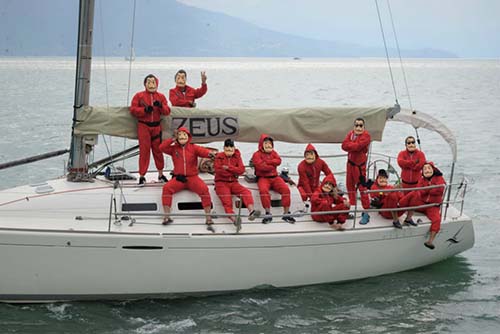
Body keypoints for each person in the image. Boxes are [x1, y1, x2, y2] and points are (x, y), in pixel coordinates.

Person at [159, 127, 215, 231]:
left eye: (184, 135)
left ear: (188, 137)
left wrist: (210, 154)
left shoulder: (194, 148)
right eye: (180, 135)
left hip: (192, 178)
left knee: (204, 190)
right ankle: (166, 216)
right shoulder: (173, 149)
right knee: (166, 188)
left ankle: (208, 217)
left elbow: (203, 152)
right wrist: (172, 139)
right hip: (179, 179)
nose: (182, 137)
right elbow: (161, 148)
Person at [130, 74, 170, 185]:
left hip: (156, 126)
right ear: (145, 84)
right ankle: (142, 175)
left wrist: (161, 106)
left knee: (158, 151)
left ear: (157, 84)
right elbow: (133, 110)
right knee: (144, 151)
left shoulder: (161, 97)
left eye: (153, 82)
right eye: (149, 82)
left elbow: (167, 111)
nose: (151, 84)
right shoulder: (139, 96)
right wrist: (144, 110)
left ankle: (161, 174)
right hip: (144, 126)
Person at [399, 162, 446, 249]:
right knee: (413, 194)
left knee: (437, 220)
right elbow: (420, 191)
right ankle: (401, 208)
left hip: (432, 205)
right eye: (425, 169)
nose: (427, 170)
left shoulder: (439, 178)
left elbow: (439, 189)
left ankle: (430, 241)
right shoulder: (422, 179)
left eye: (429, 168)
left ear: (433, 169)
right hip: (422, 203)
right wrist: (429, 188)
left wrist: (427, 189)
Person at [214, 139, 260, 224]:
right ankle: (234, 219)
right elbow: (219, 171)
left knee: (246, 192)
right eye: (227, 148)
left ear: (234, 148)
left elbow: (241, 170)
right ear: (224, 148)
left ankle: (251, 211)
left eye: (231, 148)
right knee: (227, 202)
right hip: (221, 183)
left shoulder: (237, 156)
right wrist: (234, 171)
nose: (229, 150)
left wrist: (228, 168)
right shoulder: (219, 157)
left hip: (234, 182)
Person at [252, 134, 295, 224]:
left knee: (286, 190)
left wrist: (267, 162)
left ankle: (286, 213)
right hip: (263, 178)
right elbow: (260, 167)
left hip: (275, 177)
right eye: (266, 143)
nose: (268, 145)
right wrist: (272, 165)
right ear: (261, 144)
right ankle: (268, 213)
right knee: (263, 191)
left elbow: (279, 161)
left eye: (270, 143)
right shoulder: (256, 154)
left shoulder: (274, 153)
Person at [341, 117, 371, 224]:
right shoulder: (350, 134)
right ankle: (353, 208)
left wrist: (351, 145)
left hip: (359, 167)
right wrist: (353, 146)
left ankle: (366, 212)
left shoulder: (366, 136)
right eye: (356, 125)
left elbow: (358, 146)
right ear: (354, 126)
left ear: (364, 127)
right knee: (350, 186)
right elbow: (343, 145)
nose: (358, 127)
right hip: (350, 165)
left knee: (362, 189)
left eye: (360, 125)